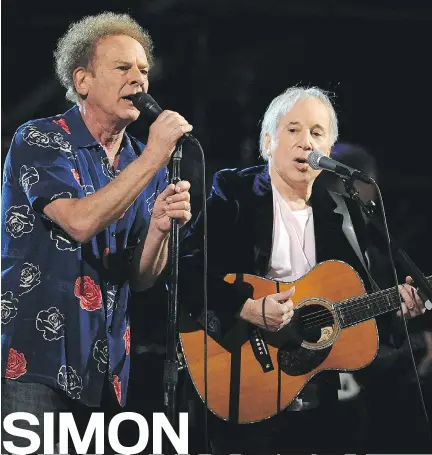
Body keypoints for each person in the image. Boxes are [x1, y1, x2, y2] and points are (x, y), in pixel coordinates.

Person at [178, 86, 428, 454]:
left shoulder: (341, 214)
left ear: (328, 151)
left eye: (316, 133)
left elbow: (357, 307)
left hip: (317, 398)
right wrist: (247, 307)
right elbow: (183, 270)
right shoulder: (236, 193)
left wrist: (400, 309)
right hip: (241, 378)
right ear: (268, 141)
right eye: (293, 130)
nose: (305, 142)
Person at [1, 12, 193, 454]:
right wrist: (154, 161)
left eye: (143, 70)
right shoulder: (42, 139)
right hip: (33, 361)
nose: (138, 80)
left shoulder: (142, 161)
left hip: (104, 369)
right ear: (82, 80)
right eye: (123, 68)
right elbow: (80, 222)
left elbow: (141, 277)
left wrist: (160, 231)